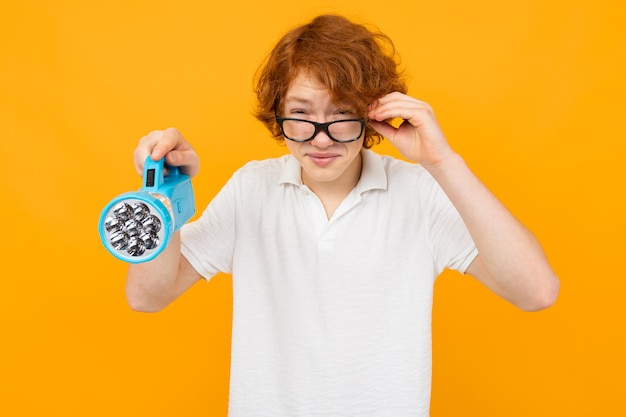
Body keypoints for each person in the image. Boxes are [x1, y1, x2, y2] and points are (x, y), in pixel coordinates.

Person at [126, 14, 559, 417]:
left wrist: (441, 162)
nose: (321, 138)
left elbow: (536, 291)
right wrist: (163, 193)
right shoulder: (251, 189)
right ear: (278, 112)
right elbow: (147, 296)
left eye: (341, 113)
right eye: (300, 113)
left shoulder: (419, 193)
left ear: (374, 113)